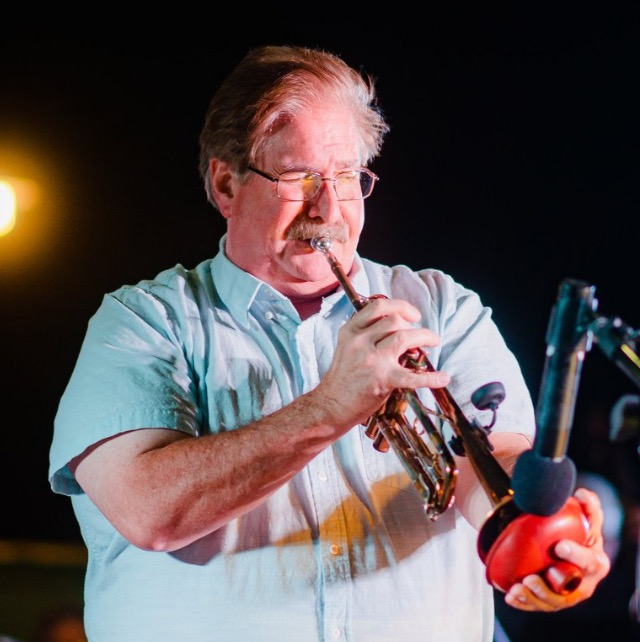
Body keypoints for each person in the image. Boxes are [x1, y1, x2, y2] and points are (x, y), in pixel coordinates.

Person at [48, 44, 610, 641]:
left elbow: (493, 464)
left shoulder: (442, 307)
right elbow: (149, 512)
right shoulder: (143, 321)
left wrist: (547, 539)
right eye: (299, 177)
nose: (329, 209)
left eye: (347, 177)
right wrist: (333, 405)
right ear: (225, 183)